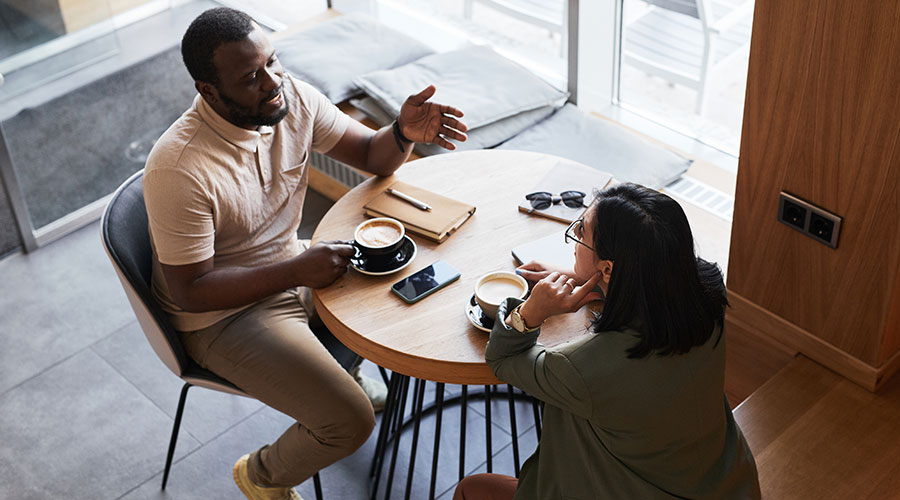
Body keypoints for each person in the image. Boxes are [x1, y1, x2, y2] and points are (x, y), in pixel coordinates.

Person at [143, 7, 467, 500]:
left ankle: (349, 366)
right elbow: (190, 292)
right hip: (224, 315)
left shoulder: (290, 96)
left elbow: (370, 157)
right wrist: (298, 268)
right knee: (348, 422)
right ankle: (261, 477)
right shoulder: (179, 168)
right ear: (209, 91)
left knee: (404, 291)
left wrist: (401, 134)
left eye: (274, 62)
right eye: (252, 77)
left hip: (291, 264)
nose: (273, 82)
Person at [454, 183, 760, 499]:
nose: (575, 239)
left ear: (609, 268)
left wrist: (532, 310)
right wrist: (590, 279)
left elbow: (503, 359)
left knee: (471, 490)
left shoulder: (582, 368)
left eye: (581, 233)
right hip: (725, 484)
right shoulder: (705, 299)